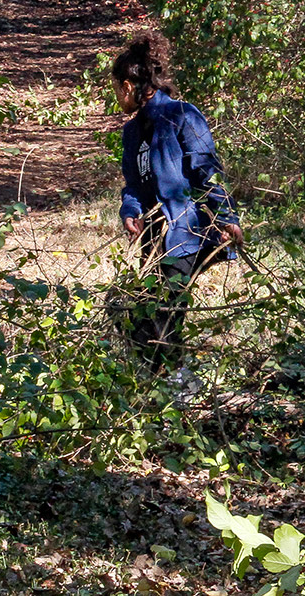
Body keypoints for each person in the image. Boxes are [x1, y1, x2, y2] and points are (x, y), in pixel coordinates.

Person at [112, 30, 243, 372]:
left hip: (187, 232)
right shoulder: (131, 132)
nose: (116, 96)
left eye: (116, 89)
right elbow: (135, 184)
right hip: (154, 238)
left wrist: (226, 217)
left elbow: (206, 170)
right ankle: (162, 383)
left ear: (128, 86)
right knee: (138, 311)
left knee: (164, 315)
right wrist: (131, 211)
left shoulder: (183, 115)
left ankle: (175, 386)